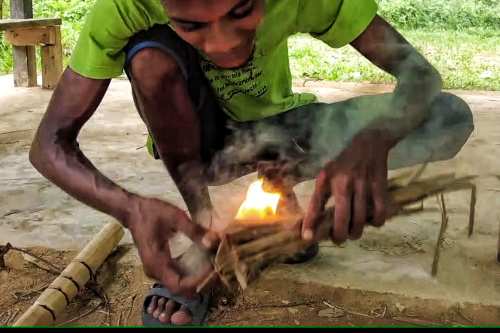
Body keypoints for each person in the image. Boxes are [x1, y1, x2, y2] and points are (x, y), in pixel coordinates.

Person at [29, 0, 474, 326]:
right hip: (204, 148)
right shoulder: (122, 6)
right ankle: (205, 238)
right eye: (190, 24)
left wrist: (373, 139)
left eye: (243, 10)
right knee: (148, 57)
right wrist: (129, 208)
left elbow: (420, 75)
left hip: (285, 135)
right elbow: (49, 144)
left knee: (447, 117)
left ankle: (277, 203)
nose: (222, 44)